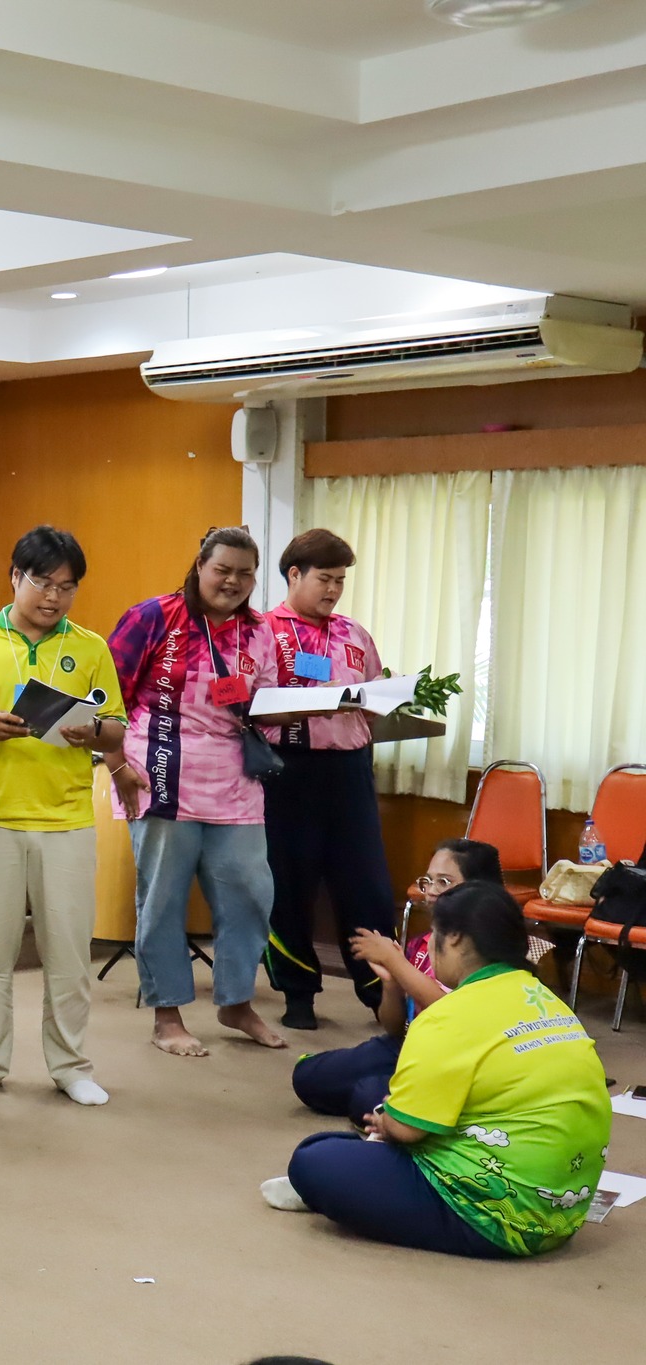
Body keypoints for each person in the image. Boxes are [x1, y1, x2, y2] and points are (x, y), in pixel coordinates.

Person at [264, 881, 610, 1259]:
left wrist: (389, 1123)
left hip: (500, 1218)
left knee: (313, 1158)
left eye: (434, 935)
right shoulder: (548, 1000)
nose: (428, 946)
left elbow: (406, 1130)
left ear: (456, 938)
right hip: (564, 1213)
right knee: (361, 1132)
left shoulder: (447, 1016)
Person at [0, 526, 134, 1107]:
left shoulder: (90, 648)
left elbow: (117, 728)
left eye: (67, 587)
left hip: (65, 820)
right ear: (16, 576)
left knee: (68, 955)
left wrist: (92, 731)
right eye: (43, 583)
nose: (54, 597)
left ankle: (71, 1067)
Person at [108, 527, 287, 1059]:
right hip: (161, 773)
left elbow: (265, 705)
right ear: (200, 566)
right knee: (163, 898)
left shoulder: (259, 632)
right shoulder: (153, 617)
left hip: (235, 779)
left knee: (251, 892)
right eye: (222, 570)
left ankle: (236, 1002)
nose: (233, 581)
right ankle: (166, 1014)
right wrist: (116, 765)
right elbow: (107, 697)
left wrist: (304, 709)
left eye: (245, 573)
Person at [257, 529, 398, 1032]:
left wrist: (389, 696)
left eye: (340, 580)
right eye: (325, 579)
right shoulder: (262, 631)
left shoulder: (355, 633)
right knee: (288, 884)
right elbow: (251, 703)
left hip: (350, 770)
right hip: (289, 770)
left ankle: (383, 991)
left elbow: (373, 696)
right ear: (294, 575)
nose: (334, 590)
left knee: (367, 885)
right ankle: (297, 994)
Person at [291, 839, 503, 1123]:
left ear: (479, 889)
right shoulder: (421, 944)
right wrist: (392, 984)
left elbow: (455, 1014)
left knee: (367, 1095)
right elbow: (393, 1027)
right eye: (428, 881)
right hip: (407, 1048)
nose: (431, 891)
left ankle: (401, 1104)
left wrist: (396, 963)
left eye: (444, 882)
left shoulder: (496, 948)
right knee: (308, 1077)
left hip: (454, 1062)